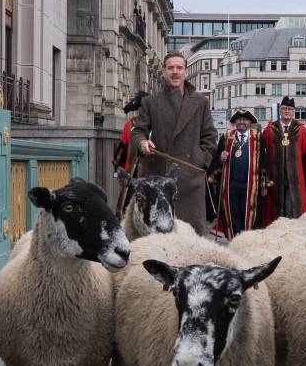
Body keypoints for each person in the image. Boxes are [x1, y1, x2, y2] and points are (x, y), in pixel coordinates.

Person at [130, 52, 218, 234]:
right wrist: (142, 143)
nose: (175, 72)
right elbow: (138, 131)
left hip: (191, 180)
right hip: (159, 182)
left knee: (192, 238)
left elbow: (210, 136)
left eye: (179, 68)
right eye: (171, 68)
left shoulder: (201, 102)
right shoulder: (150, 102)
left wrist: (200, 160)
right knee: (160, 237)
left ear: (186, 72)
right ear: (163, 72)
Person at [208, 109, 269, 239]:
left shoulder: (258, 137)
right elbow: (216, 160)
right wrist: (221, 158)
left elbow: (264, 162)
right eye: (239, 119)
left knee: (248, 213)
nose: (242, 121)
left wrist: (264, 184)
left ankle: (247, 241)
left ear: (250, 122)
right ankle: (235, 240)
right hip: (231, 183)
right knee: (233, 212)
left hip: (251, 184)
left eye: (245, 119)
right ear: (235, 122)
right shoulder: (227, 137)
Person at [261, 96, 306, 221]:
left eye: (290, 109)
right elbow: (263, 156)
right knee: (275, 212)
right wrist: (264, 177)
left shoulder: (302, 130)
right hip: (275, 179)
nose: (287, 111)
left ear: (294, 112)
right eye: (285, 108)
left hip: (295, 179)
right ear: (280, 110)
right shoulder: (269, 131)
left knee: (292, 210)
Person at [112, 90, 148, 215]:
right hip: (132, 174)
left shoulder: (157, 125)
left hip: (150, 174)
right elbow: (122, 149)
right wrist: (119, 170)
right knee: (129, 210)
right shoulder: (129, 124)